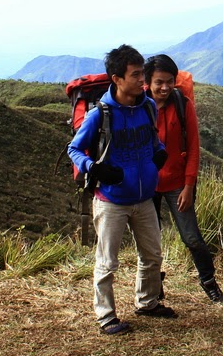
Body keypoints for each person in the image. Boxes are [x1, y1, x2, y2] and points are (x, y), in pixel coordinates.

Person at [67, 44, 176, 336]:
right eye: (136, 75)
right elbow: (74, 149)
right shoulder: (100, 114)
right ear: (116, 78)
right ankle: (106, 317)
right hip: (111, 200)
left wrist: (160, 153)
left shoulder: (148, 107)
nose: (143, 80)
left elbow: (154, 142)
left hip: (143, 197)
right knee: (108, 261)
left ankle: (148, 302)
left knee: (152, 255)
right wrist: (94, 167)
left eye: (142, 74)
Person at [144, 54, 223, 304]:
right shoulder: (138, 107)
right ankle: (154, 288)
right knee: (150, 242)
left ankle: (209, 283)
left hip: (177, 183)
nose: (165, 87)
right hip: (146, 185)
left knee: (192, 237)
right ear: (148, 82)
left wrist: (189, 186)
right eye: (159, 82)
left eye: (169, 81)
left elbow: (193, 147)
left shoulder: (183, 104)